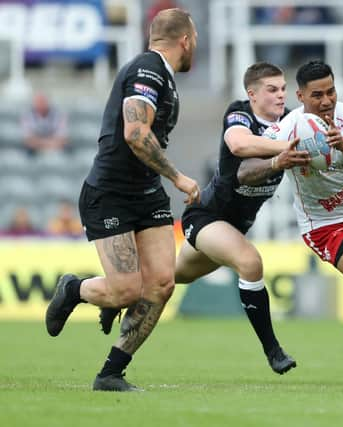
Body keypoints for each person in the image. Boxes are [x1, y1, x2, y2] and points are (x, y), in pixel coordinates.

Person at [100, 62, 311, 373]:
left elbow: (324, 129)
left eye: (282, 89)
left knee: (168, 279)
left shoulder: (291, 122)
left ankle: (114, 299)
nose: (281, 95)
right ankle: (273, 351)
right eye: (272, 90)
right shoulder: (239, 113)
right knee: (250, 262)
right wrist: (280, 156)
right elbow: (238, 147)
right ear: (252, 94)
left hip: (235, 225)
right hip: (206, 216)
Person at [44, 8, 200, 392]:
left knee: (162, 283)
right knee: (128, 290)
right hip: (110, 193)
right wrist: (177, 176)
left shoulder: (163, 74)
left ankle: (111, 373)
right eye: (194, 40)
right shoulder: (147, 69)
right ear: (185, 40)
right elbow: (134, 133)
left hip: (146, 194)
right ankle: (74, 289)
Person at [238, 60, 343, 386]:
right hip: (324, 224)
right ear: (300, 96)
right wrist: (277, 161)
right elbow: (244, 171)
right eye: (317, 95)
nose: (326, 101)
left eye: (331, 92)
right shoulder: (288, 128)